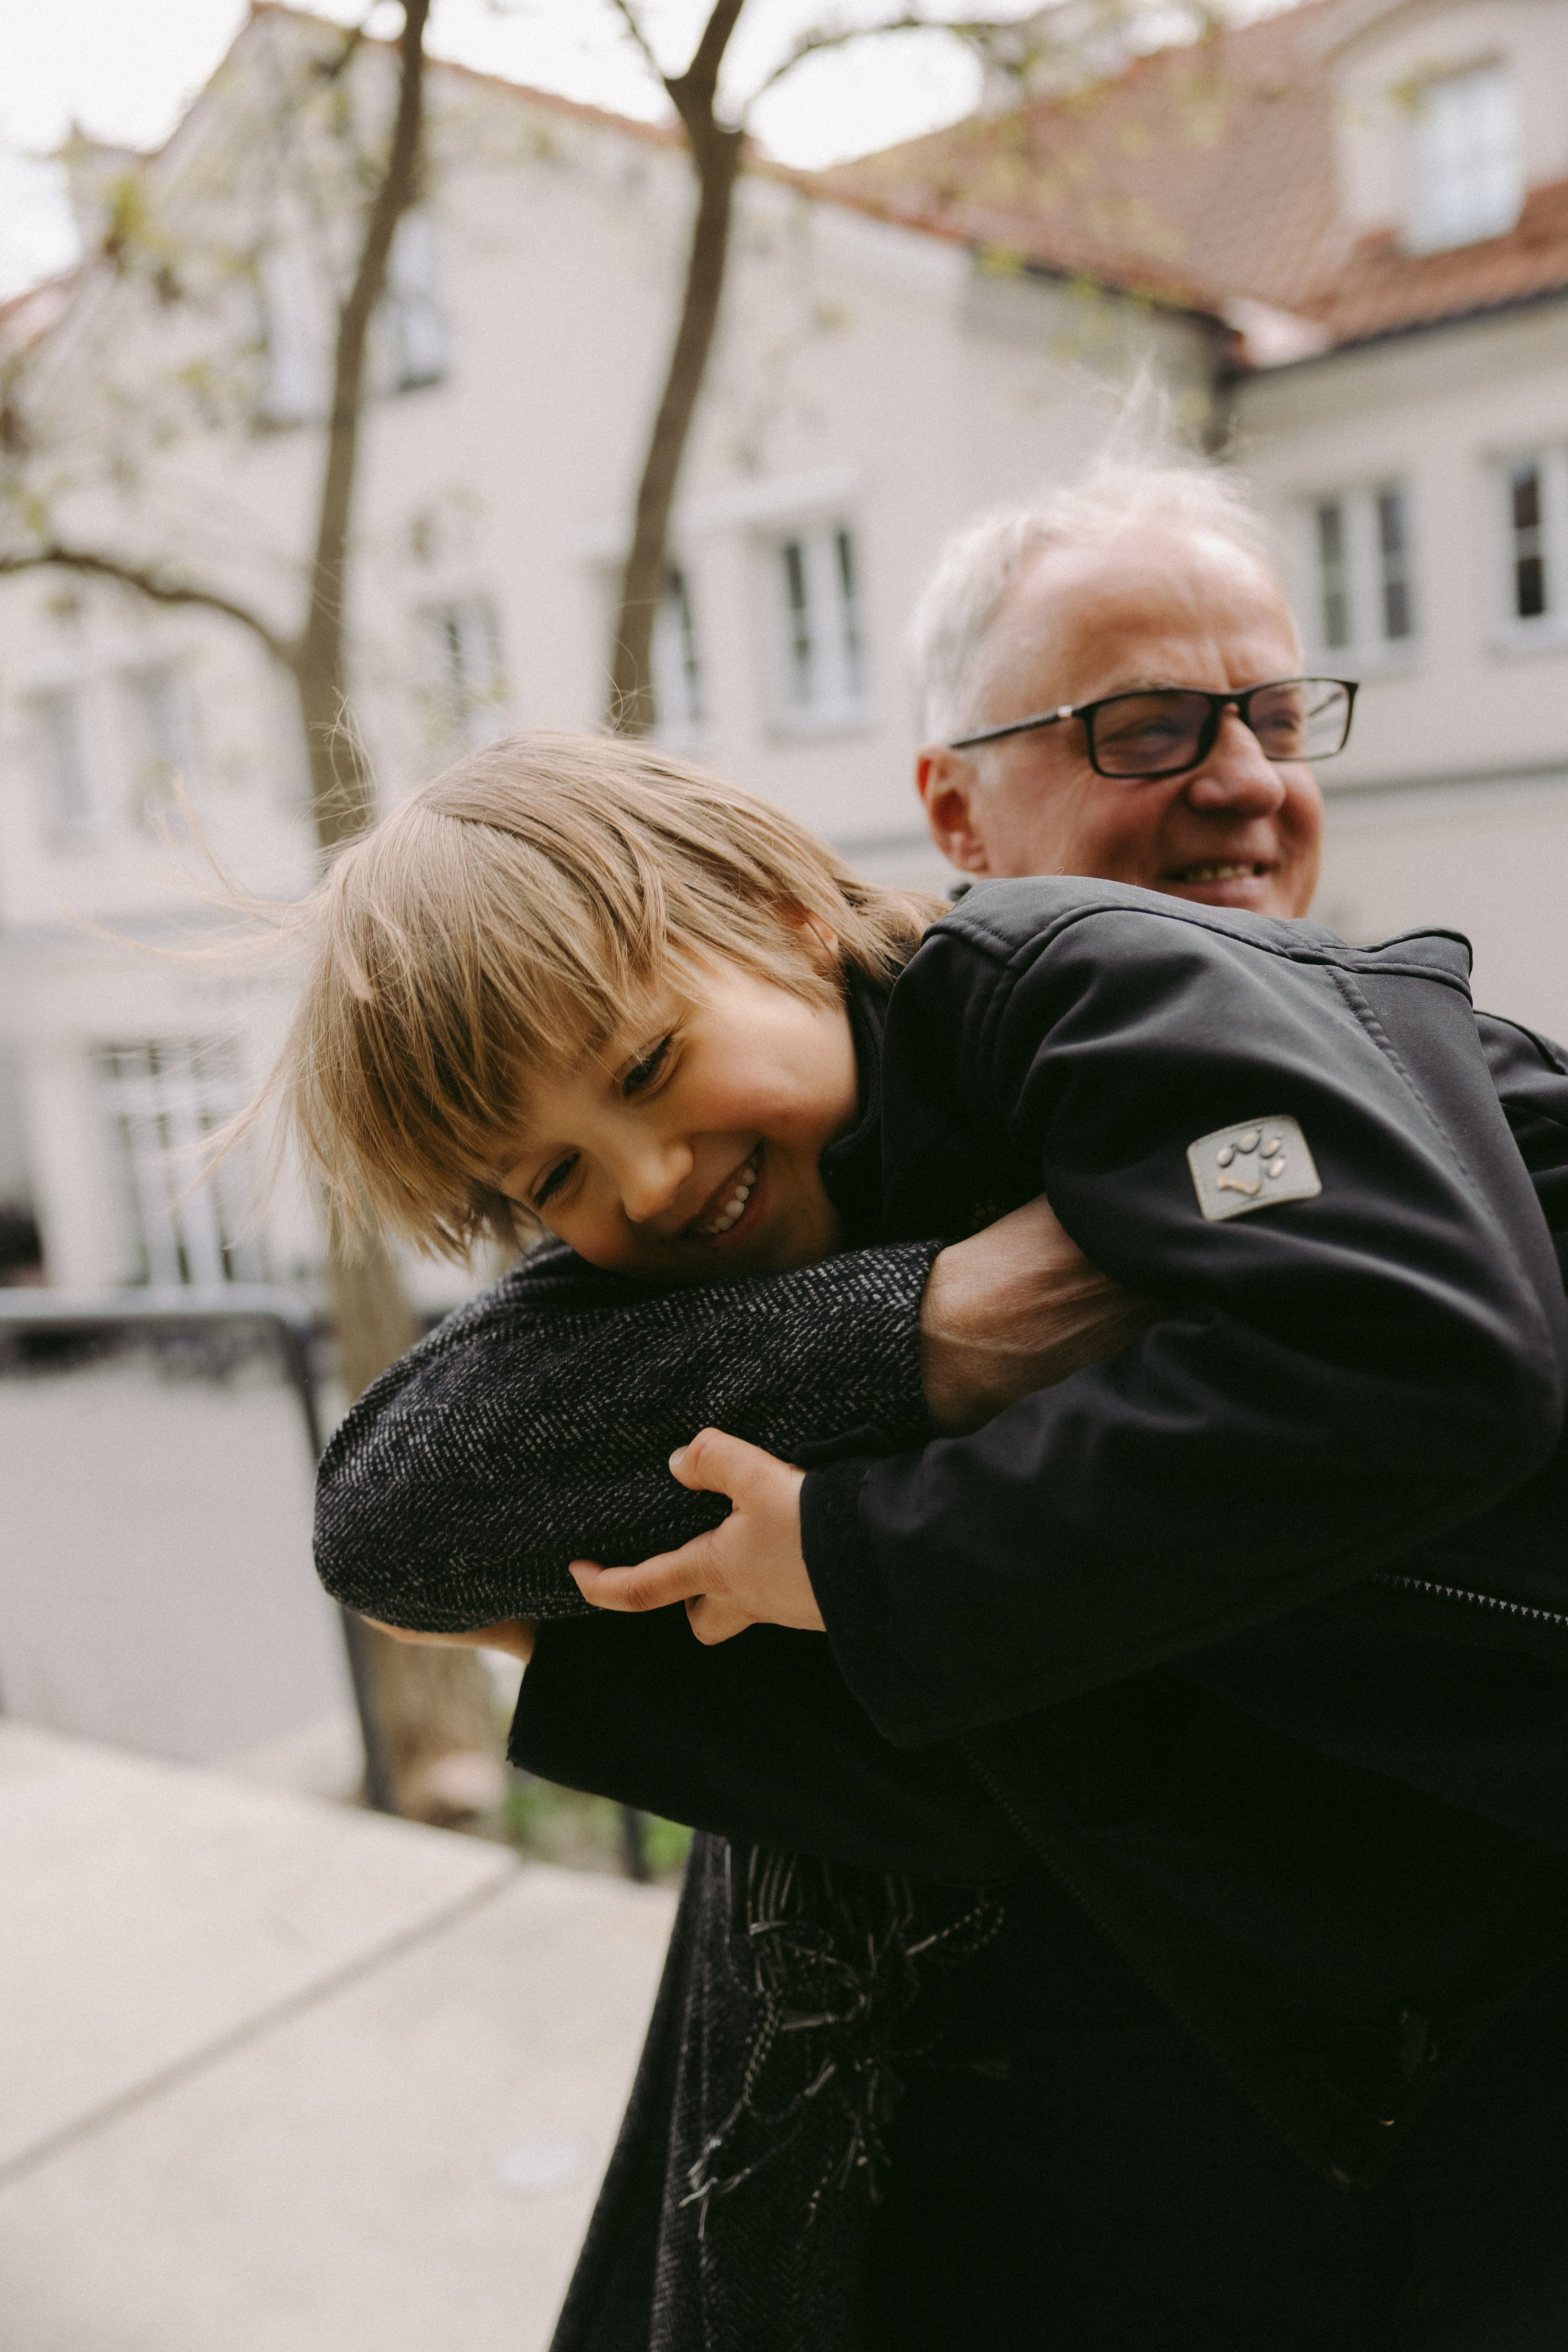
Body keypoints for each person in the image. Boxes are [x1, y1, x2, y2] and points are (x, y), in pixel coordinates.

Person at [309, 463, 1568, 2349]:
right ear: (949, 816)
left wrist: (858, 1548)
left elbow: (1417, 1359)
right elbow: (405, 1513)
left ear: (774, 911)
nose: (1235, 776)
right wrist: (932, 1331)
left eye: (1275, 712)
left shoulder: (1253, 1057)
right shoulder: (810, 1182)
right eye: (1139, 727)